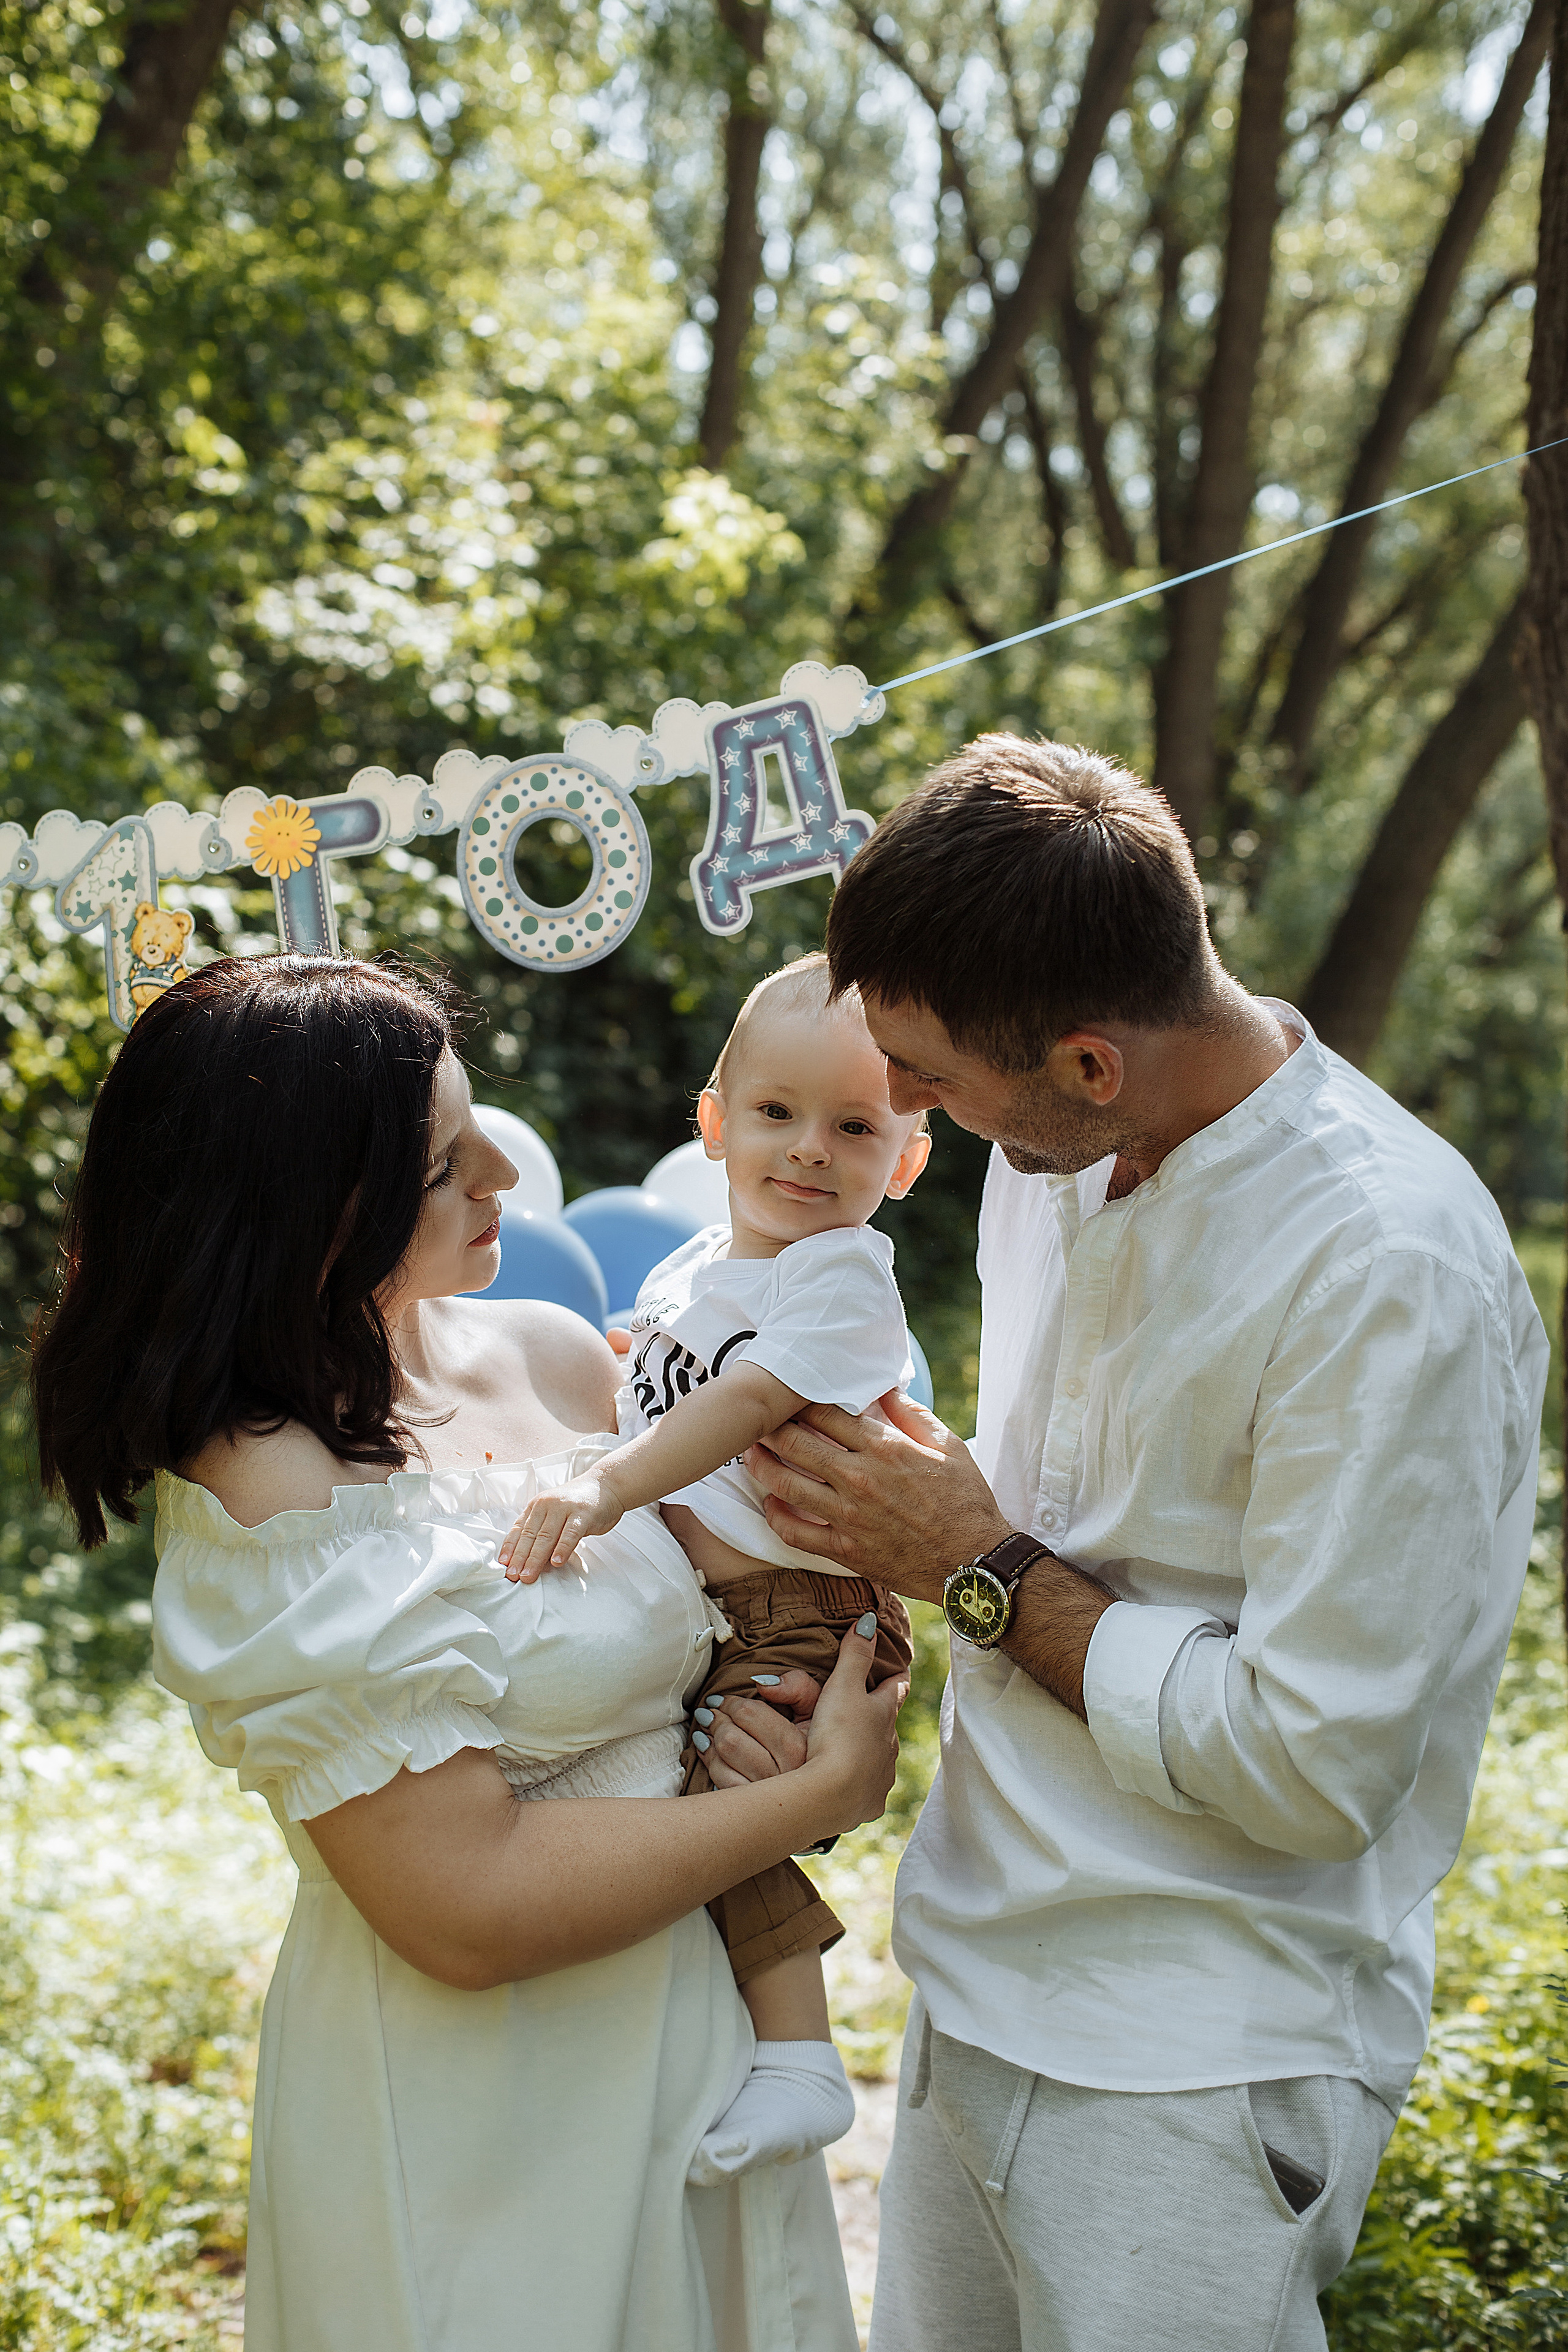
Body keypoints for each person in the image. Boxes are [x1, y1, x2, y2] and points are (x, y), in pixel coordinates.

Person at [699, 736, 1549, 2352]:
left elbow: (1316, 1761)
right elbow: (1043, 1525)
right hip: (969, 1974)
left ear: (1088, 1063)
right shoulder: (1052, 1162)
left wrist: (982, 1565)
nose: (914, 1121)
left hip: (1195, 2050)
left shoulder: (1390, 1271)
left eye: (933, 1082)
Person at [29, 952, 903, 2352]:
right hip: (490, 2101)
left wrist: (780, 1716)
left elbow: (745, 1590)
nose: (502, 1169)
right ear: (311, 1211)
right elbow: (464, 1912)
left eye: (474, 1121)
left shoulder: (560, 1357)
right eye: (443, 1165)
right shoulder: (278, 1488)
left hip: (698, 2032)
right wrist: (803, 1803)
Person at [501, 953, 925, 2185]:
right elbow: (663, 1382)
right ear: (713, 1121)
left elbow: (740, 1405)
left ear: (903, 1161)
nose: (808, 1151)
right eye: (775, 1113)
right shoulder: (692, 1276)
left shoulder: (841, 1281)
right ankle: (709, 2042)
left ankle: (799, 2059)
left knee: (722, 1814)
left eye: (854, 1127)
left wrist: (604, 1485)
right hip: (709, 1605)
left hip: (800, 1610)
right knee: (651, 1797)